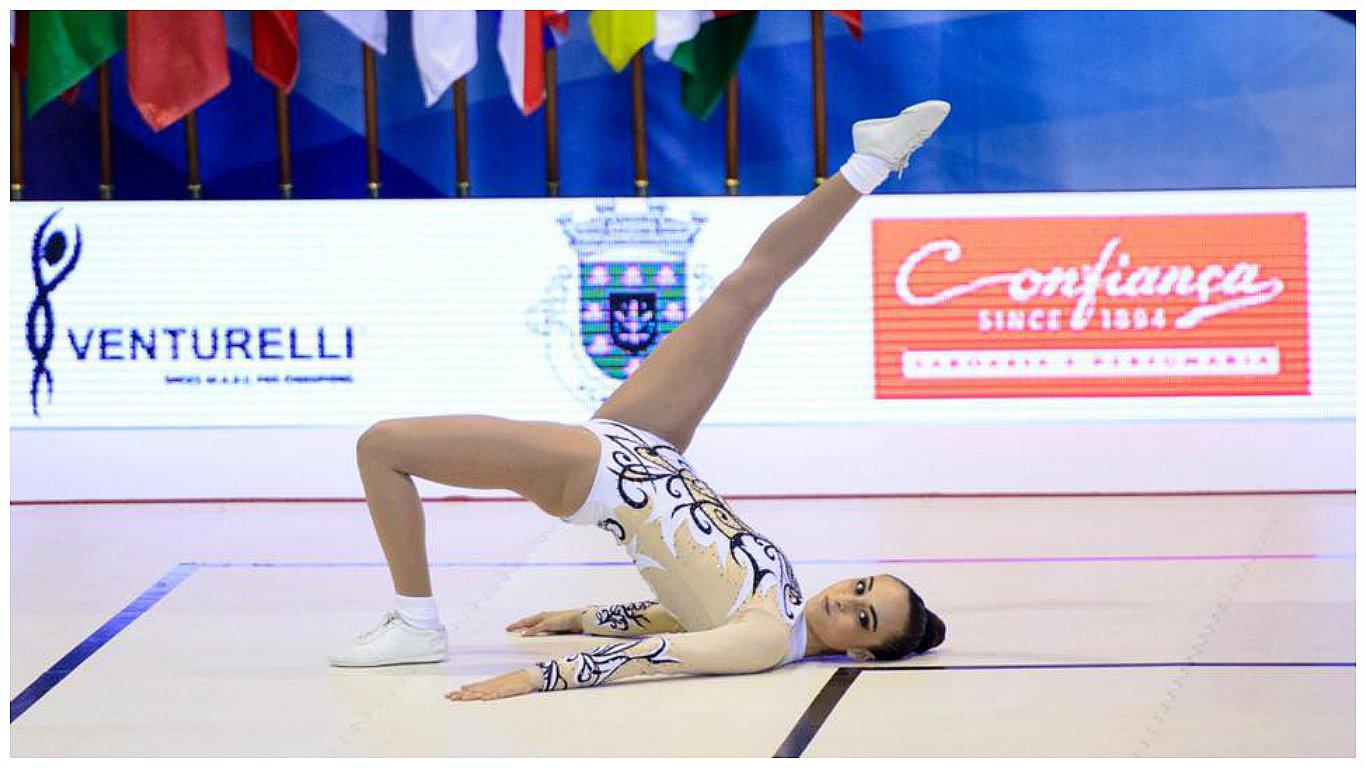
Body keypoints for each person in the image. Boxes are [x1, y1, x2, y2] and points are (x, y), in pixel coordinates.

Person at [329, 101, 952, 701]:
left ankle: (416, 624)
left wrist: (534, 680)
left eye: (863, 618)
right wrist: (580, 617)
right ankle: (868, 164)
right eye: (861, 587)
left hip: (597, 474)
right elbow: (682, 609)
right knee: (744, 291)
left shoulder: (767, 640)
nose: (846, 599)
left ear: (860, 654)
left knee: (382, 446)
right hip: (646, 444)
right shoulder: (786, 601)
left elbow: (660, 656)